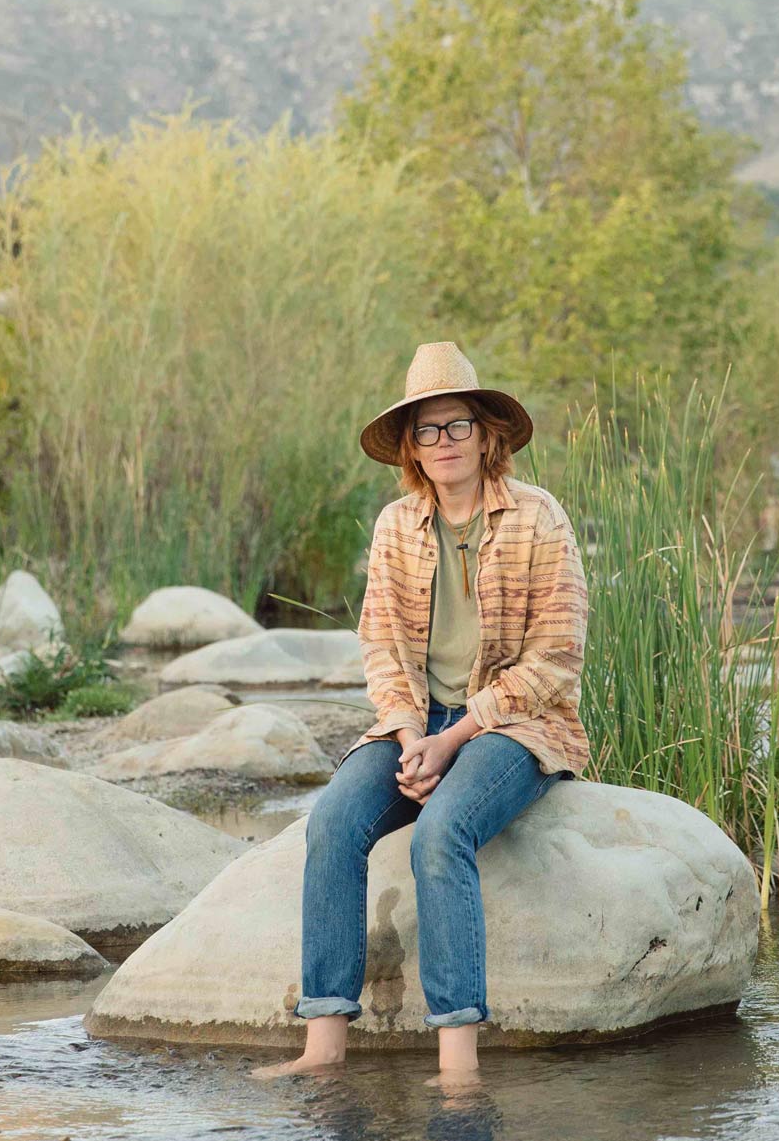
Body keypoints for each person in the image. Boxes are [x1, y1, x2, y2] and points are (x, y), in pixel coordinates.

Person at [252, 340, 590, 1087]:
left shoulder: (539, 518)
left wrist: (457, 736)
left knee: (442, 831)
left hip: (516, 726)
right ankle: (324, 1045)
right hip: (417, 720)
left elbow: (557, 659)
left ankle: (458, 1063)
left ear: (486, 433)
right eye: (427, 429)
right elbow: (381, 649)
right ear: (410, 444)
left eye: (457, 425)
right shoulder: (396, 526)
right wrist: (411, 736)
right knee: (334, 820)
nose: (444, 442)